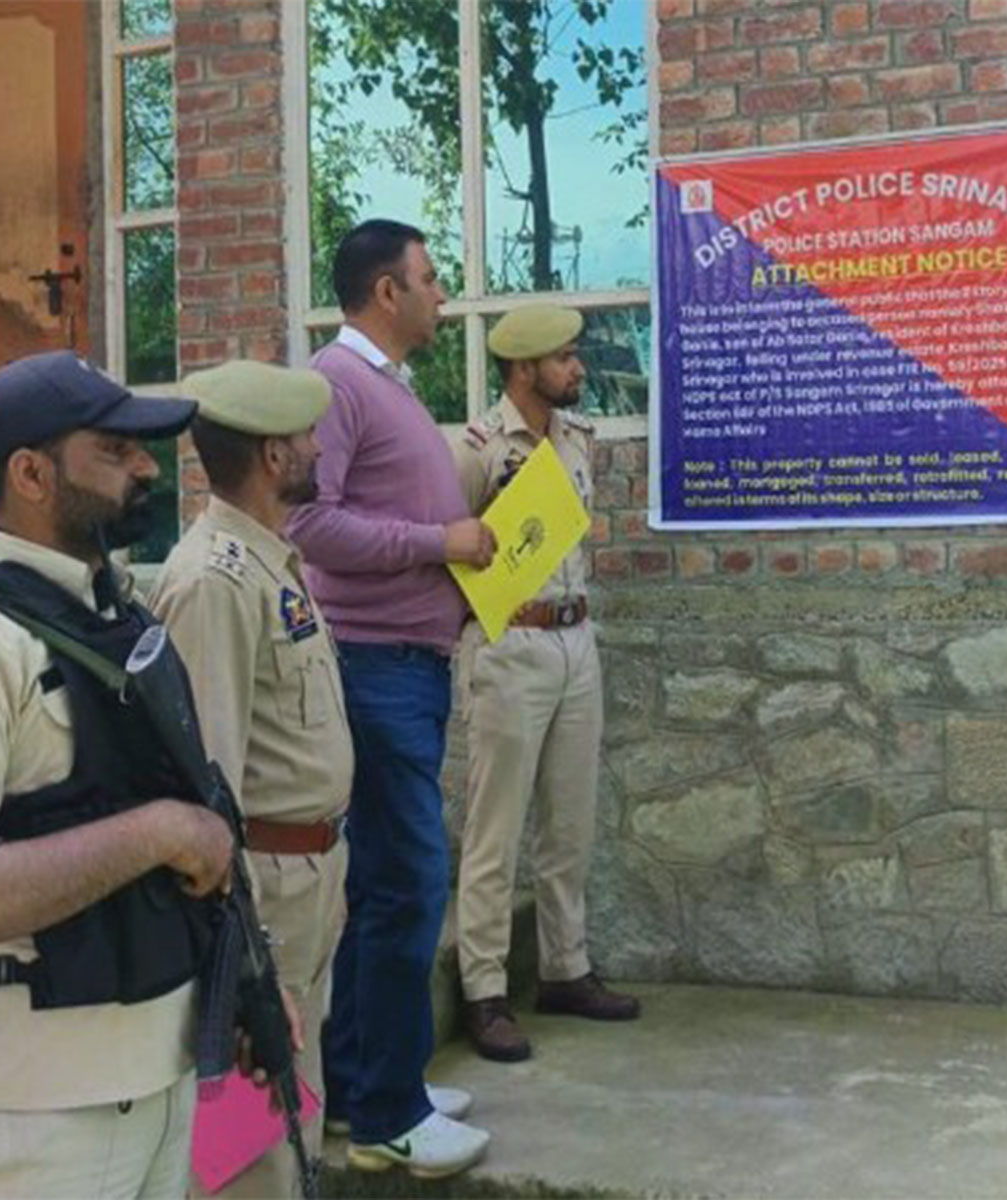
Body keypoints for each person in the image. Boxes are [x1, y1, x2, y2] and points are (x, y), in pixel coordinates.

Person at [0, 351, 233, 1196]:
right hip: (39, 1115)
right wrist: (161, 834)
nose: (148, 465)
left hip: (165, 1071)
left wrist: (244, 987)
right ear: (32, 473)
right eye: (114, 450)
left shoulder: (120, 611)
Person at [286, 220, 493, 1178]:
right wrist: (438, 543)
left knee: (383, 888)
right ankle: (388, 1120)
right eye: (429, 277)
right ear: (384, 291)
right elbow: (314, 523)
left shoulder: (385, 384)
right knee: (410, 882)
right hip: (375, 670)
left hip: (410, 665)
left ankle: (371, 1082)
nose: (442, 293)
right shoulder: (338, 381)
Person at [148, 360, 364, 1195]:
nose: (318, 447)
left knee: (292, 1107)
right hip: (262, 892)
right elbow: (209, 785)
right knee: (246, 1141)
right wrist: (238, 947)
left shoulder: (270, 560)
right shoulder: (214, 582)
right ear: (275, 456)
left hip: (308, 873)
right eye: (307, 436)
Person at [453, 305, 639, 1063]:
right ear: (524, 368)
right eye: (564, 358)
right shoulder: (476, 449)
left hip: (574, 637)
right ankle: (484, 989)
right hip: (511, 642)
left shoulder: (576, 441)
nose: (579, 368)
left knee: (570, 821)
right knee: (495, 828)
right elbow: (451, 547)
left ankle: (566, 967)